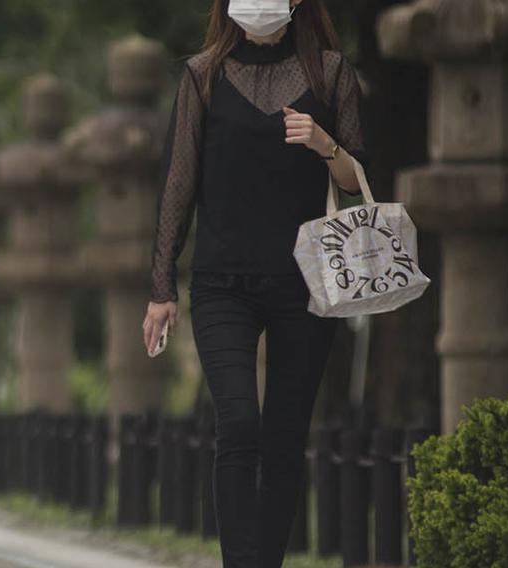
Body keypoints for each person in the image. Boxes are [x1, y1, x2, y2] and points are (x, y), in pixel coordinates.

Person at [141, 0, 369, 566]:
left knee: (286, 438)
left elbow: (361, 178)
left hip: (307, 284)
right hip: (222, 283)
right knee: (239, 422)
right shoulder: (203, 75)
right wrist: (162, 288)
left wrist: (324, 143)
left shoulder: (331, 72)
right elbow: (179, 183)